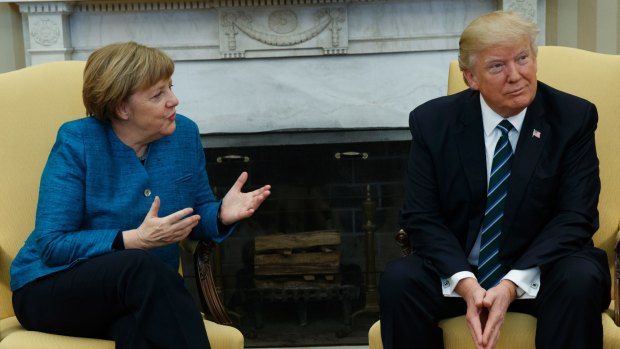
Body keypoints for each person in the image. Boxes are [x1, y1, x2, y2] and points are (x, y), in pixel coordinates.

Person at [10, 41, 271, 348]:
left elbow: (193, 214)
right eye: (158, 94)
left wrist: (220, 215)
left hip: (135, 296)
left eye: (170, 87)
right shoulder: (77, 141)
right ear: (122, 107)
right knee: (140, 264)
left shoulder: (184, 135)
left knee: (139, 330)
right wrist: (134, 240)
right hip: (51, 289)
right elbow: (53, 244)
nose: (174, 100)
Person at [379, 11, 610, 349]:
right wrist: (466, 284)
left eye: (522, 59)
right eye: (497, 66)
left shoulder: (572, 118)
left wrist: (511, 284)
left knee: (580, 278)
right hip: (459, 272)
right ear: (471, 77)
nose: (515, 76)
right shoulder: (433, 123)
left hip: (543, 270)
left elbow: (576, 217)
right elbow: (421, 216)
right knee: (399, 281)